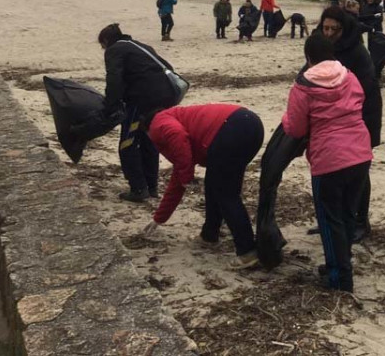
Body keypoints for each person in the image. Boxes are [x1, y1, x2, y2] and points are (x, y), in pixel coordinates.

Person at [283, 35, 373, 292]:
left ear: (308, 58)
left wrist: (286, 120)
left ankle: (339, 277)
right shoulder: (350, 76)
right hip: (360, 154)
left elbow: (297, 128)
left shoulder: (303, 85)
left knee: (329, 218)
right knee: (346, 214)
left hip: (329, 159)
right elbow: (360, 103)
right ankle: (340, 263)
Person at [141, 104, 264, 269]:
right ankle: (209, 235)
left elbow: (176, 134)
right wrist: (159, 218)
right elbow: (177, 182)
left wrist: (187, 176)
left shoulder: (157, 124)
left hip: (231, 129)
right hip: (250, 124)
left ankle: (247, 251)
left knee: (225, 193)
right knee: (215, 184)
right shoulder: (177, 116)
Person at [314, 6, 382, 241]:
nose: (330, 33)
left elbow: (365, 90)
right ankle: (334, 217)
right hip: (332, 119)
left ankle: (361, 221)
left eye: (335, 29)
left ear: (344, 29)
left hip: (363, 116)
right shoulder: (322, 48)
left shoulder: (357, 53)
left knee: (357, 172)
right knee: (333, 169)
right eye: (326, 28)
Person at [98, 23, 178, 202]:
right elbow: (167, 66)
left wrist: (109, 107)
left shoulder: (114, 51)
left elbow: (114, 80)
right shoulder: (142, 47)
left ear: (106, 41)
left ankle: (138, 188)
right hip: (163, 100)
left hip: (140, 102)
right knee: (150, 140)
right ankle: (152, 186)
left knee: (128, 143)